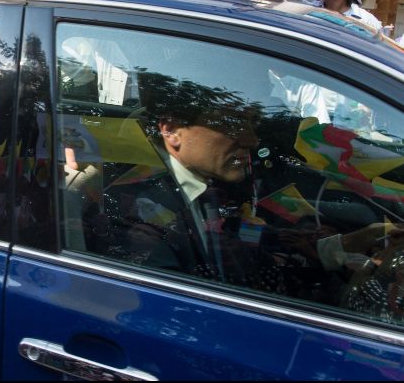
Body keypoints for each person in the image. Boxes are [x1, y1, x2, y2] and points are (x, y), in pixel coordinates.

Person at [78, 71, 402, 304]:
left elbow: (245, 240)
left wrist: (342, 245)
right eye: (234, 124)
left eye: (253, 123)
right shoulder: (133, 211)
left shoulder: (204, 188)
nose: (252, 139)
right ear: (172, 130)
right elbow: (175, 310)